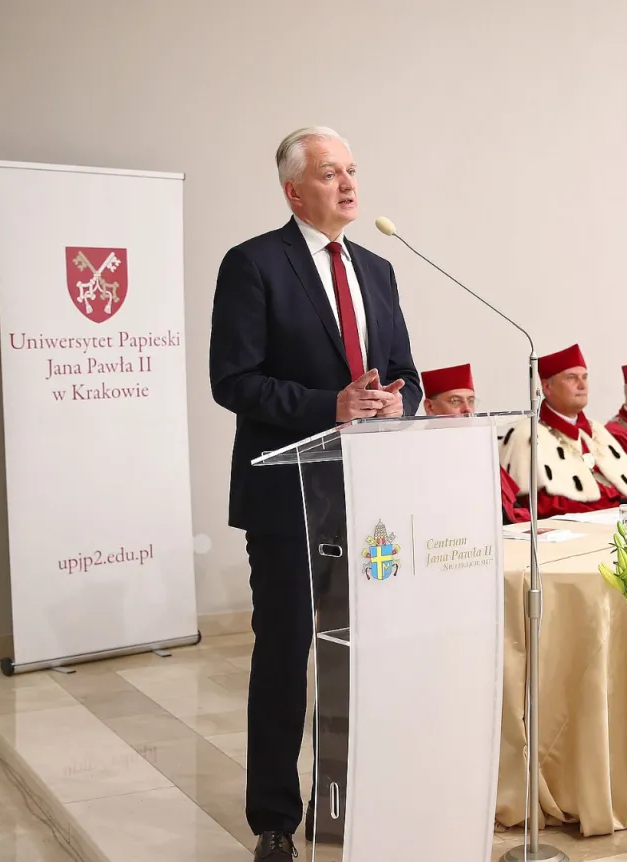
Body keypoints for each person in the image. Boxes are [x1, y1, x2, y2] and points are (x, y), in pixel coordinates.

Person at [209, 126, 421, 861]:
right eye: (331, 173)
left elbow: (407, 375)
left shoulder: (379, 269)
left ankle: (371, 788)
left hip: (372, 496)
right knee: (287, 651)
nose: (349, 183)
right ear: (294, 189)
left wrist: (401, 404)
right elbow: (231, 381)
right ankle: (274, 817)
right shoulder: (254, 265)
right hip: (287, 498)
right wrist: (326, 405)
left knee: (374, 650)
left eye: (353, 170)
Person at [499, 344, 627, 518]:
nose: (582, 385)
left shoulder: (596, 430)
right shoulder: (527, 434)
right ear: (546, 387)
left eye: (585, 377)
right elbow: (541, 506)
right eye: (571, 378)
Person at [420, 362, 529, 524]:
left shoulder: (480, 448)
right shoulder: (422, 454)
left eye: (471, 401)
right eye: (455, 401)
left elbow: (509, 507)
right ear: (429, 407)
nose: (467, 410)